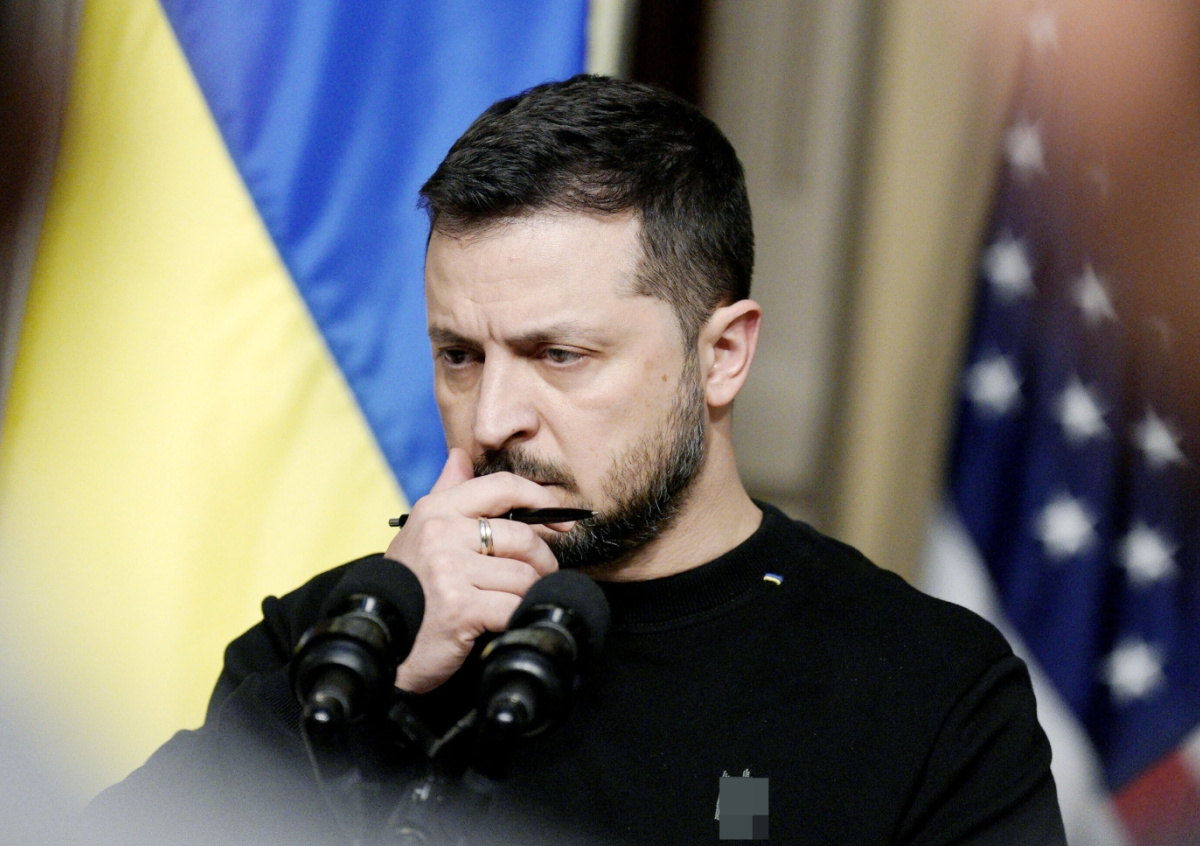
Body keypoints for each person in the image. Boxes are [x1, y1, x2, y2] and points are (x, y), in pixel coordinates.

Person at [86, 74, 1066, 845]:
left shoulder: (923, 692)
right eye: (459, 356)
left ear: (723, 355)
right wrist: (372, 690)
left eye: (560, 355)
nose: (494, 418)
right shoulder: (347, 642)